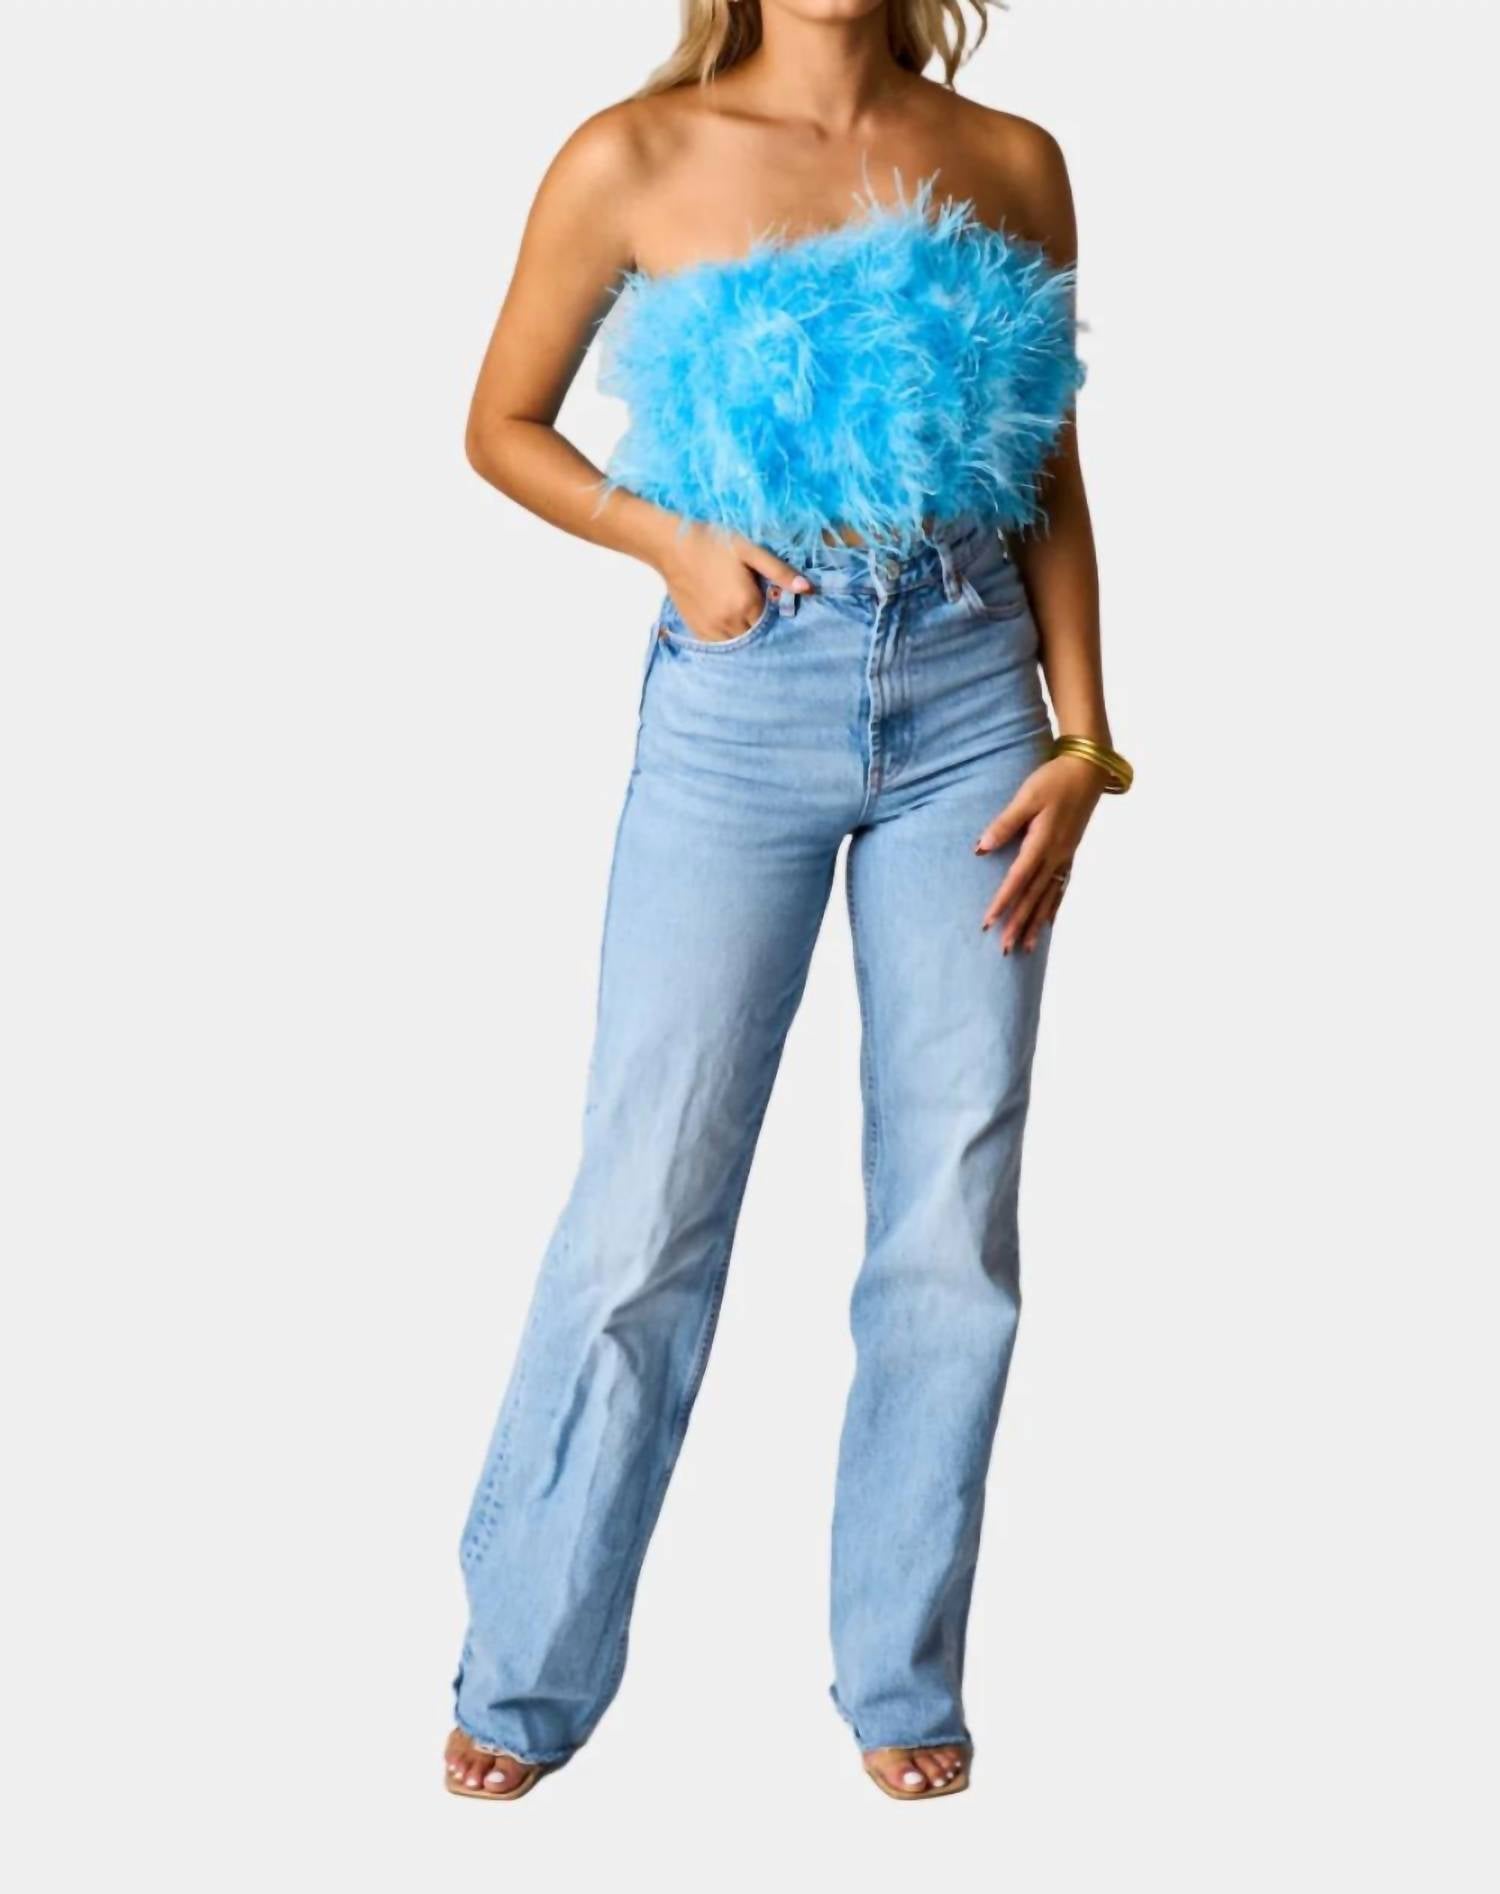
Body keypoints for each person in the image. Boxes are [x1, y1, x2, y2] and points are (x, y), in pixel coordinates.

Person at [445, 0, 1131, 1803]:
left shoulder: (1010, 161)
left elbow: (1048, 472)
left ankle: (902, 1672)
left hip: (974, 698)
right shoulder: (631, 155)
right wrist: (667, 538)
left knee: (952, 1206)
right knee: (646, 1197)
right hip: (742, 695)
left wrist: (1087, 737)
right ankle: (523, 1673)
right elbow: (501, 424)